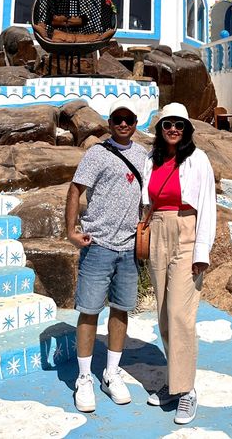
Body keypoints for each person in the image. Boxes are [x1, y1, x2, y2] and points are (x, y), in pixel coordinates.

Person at [65, 95, 148, 413]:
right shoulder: (97, 153)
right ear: (110, 124)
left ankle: (111, 372)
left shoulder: (142, 155)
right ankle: (84, 377)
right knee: (89, 311)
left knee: (121, 310)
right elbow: (75, 189)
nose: (124, 124)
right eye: (118, 120)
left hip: (129, 247)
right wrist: (71, 231)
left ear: (135, 124)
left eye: (129, 119)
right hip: (98, 245)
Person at [143, 103, 216, 426]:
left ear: (187, 129)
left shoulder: (198, 160)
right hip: (157, 229)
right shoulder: (150, 159)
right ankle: (175, 381)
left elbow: (207, 206)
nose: (173, 129)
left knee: (180, 313)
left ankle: (186, 390)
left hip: (186, 230)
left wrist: (202, 251)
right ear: (160, 128)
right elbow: (145, 202)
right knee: (162, 312)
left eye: (179, 125)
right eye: (168, 124)